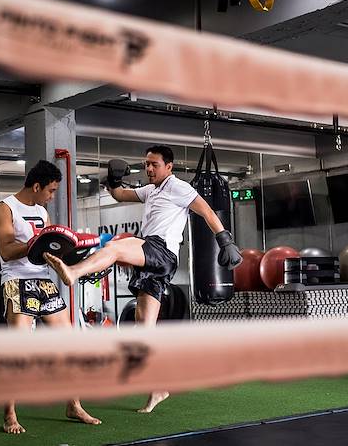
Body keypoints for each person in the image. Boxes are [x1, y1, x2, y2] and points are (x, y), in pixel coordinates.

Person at [44, 145, 242, 413]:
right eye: (146, 164)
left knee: (114, 248)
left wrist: (225, 241)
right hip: (154, 260)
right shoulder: (150, 190)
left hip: (161, 250)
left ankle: (74, 272)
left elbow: (207, 211)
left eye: (154, 165)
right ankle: (158, 389)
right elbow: (120, 195)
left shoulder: (179, 187)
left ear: (168, 166)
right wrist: (113, 180)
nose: (148, 169)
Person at [0, 160, 101, 434]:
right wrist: (36, 243)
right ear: (36, 186)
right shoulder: (5, 208)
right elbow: (6, 250)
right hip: (17, 281)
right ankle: (9, 414)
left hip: (43, 281)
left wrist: (74, 255)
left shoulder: (41, 211)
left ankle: (73, 405)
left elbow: (49, 248)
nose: (52, 197)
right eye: (50, 191)